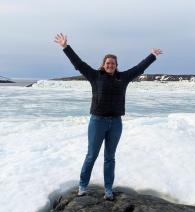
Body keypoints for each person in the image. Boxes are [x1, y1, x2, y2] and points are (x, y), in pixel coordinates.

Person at [54, 33, 162, 201]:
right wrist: (65, 47)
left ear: (116, 65)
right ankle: (82, 186)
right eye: (107, 63)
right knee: (91, 155)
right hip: (97, 121)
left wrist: (152, 56)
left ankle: (108, 189)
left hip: (116, 123)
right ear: (103, 65)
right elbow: (79, 64)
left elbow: (139, 68)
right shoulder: (95, 76)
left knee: (110, 158)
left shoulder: (123, 77)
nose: (110, 65)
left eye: (113, 63)